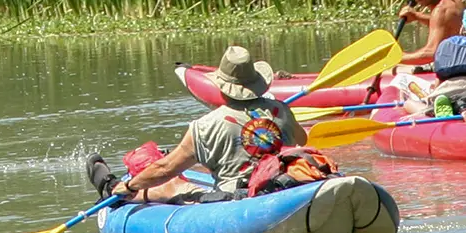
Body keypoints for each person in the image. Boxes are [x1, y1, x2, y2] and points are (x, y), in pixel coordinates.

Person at [91, 46, 309, 202]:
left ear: (221, 86)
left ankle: (114, 189)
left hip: (236, 199)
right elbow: (302, 140)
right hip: (285, 186)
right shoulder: (280, 109)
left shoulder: (206, 125)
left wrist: (130, 186)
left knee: (175, 186)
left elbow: (165, 168)